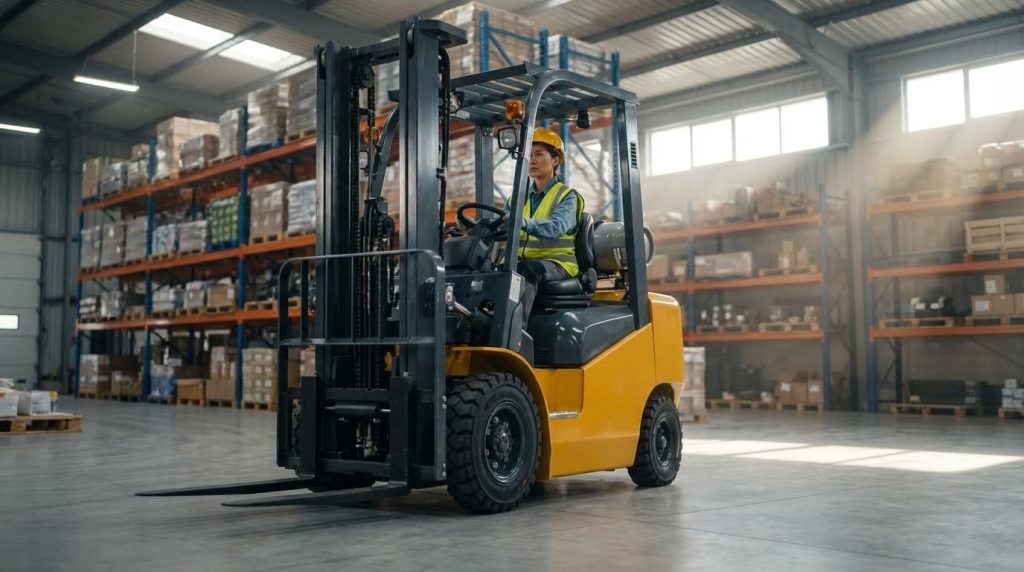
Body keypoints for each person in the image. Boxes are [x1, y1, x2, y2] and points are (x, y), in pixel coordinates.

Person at [516, 127, 584, 322]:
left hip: (558, 264)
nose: (533, 160)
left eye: (539, 154)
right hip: (526, 262)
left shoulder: (567, 196)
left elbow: (556, 227)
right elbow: (502, 224)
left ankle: (514, 337)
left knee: (525, 272)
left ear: (555, 160)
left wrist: (523, 223)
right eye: (529, 155)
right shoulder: (518, 199)